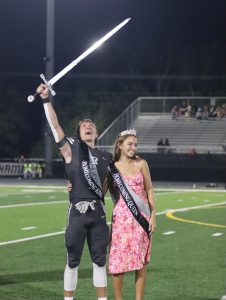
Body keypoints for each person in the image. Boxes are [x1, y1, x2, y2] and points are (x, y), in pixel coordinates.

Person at [36, 83, 112, 300]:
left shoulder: (106, 156)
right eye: (84, 125)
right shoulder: (71, 149)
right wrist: (46, 99)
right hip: (77, 213)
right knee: (73, 260)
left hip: (98, 213)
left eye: (91, 125)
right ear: (78, 133)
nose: (88, 126)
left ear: (96, 132)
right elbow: (55, 125)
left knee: (100, 260)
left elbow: (106, 187)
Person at [106, 129, 156, 300]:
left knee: (141, 262)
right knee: (118, 262)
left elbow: (149, 189)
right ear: (120, 145)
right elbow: (100, 192)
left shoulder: (141, 163)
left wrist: (153, 216)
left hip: (142, 219)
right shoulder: (112, 168)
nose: (133, 147)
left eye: (135, 144)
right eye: (130, 144)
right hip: (121, 220)